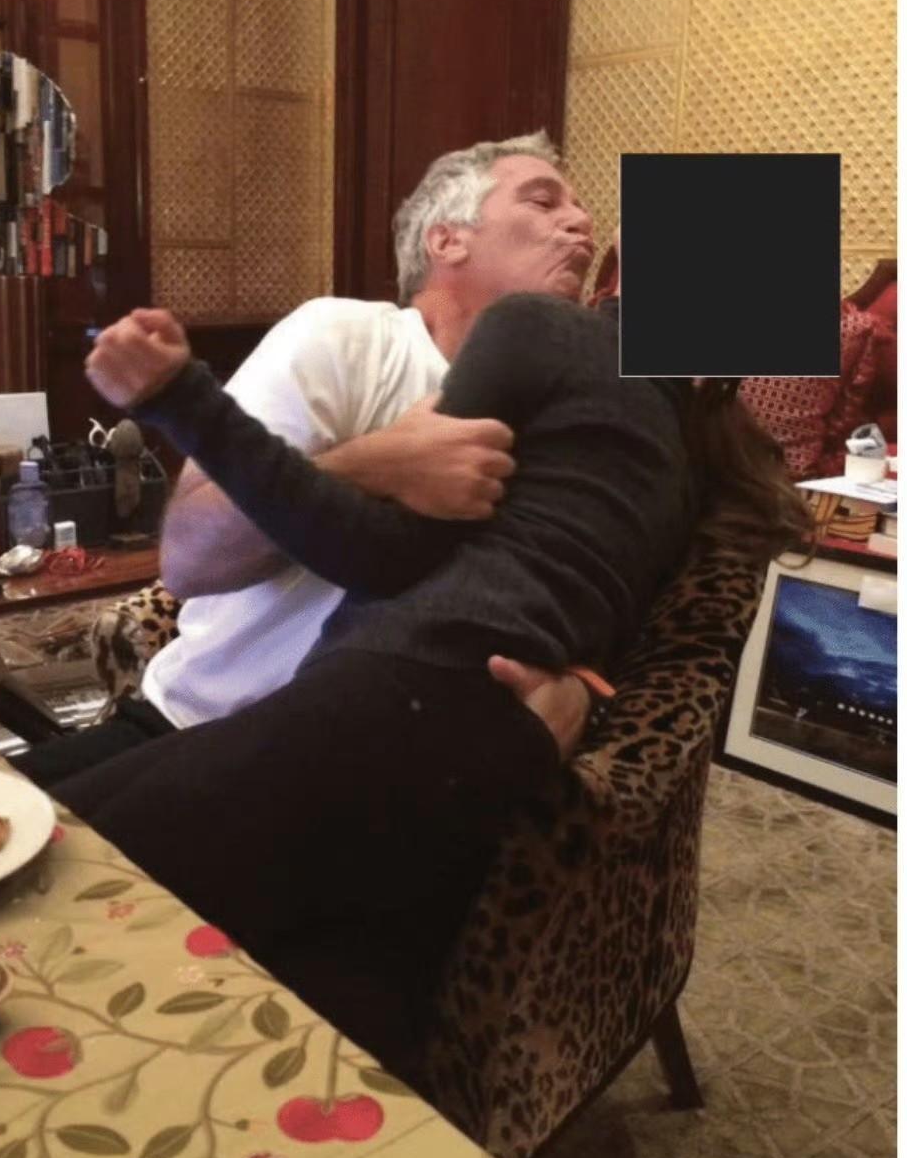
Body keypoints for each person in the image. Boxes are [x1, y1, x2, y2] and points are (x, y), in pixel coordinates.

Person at [48, 284, 807, 1069]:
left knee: (48, 881)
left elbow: (376, 551)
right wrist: (590, 690)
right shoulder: (693, 452)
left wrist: (181, 396)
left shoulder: (538, 328)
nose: (575, 231)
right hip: (491, 765)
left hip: (401, 701)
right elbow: (639, 641)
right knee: (329, 1031)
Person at [14, 132, 598, 791]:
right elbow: (190, 561)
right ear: (447, 240)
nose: (581, 222)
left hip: (395, 779)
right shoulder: (348, 338)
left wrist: (585, 685)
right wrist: (380, 464)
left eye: (580, 208)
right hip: (199, 728)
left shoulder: (575, 404)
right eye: (543, 201)